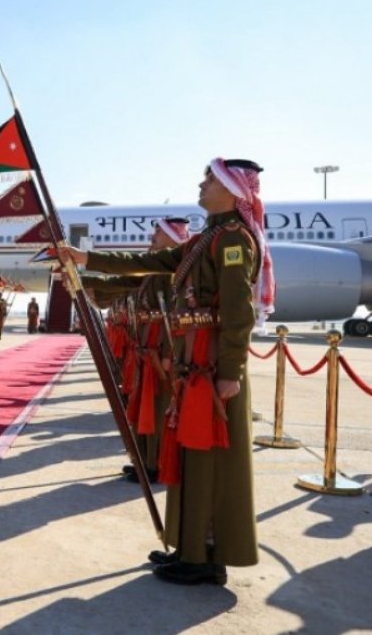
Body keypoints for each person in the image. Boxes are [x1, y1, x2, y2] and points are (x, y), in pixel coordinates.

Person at [59, 158, 270, 586]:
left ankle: (207, 558)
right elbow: (148, 262)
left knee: (208, 461)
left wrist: (231, 371)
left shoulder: (233, 238)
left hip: (213, 367)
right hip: (195, 366)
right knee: (190, 457)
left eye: (210, 179)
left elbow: (238, 311)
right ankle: (188, 548)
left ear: (232, 190)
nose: (202, 185)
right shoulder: (206, 239)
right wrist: (86, 257)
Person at [80, 217, 190, 484]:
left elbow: (174, 316)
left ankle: (157, 464)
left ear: (172, 237)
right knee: (143, 405)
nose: (153, 236)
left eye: (159, 232)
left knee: (158, 407)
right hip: (146, 347)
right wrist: (82, 280)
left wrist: (169, 354)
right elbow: (124, 281)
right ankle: (143, 461)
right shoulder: (153, 268)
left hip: (159, 348)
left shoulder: (172, 270)